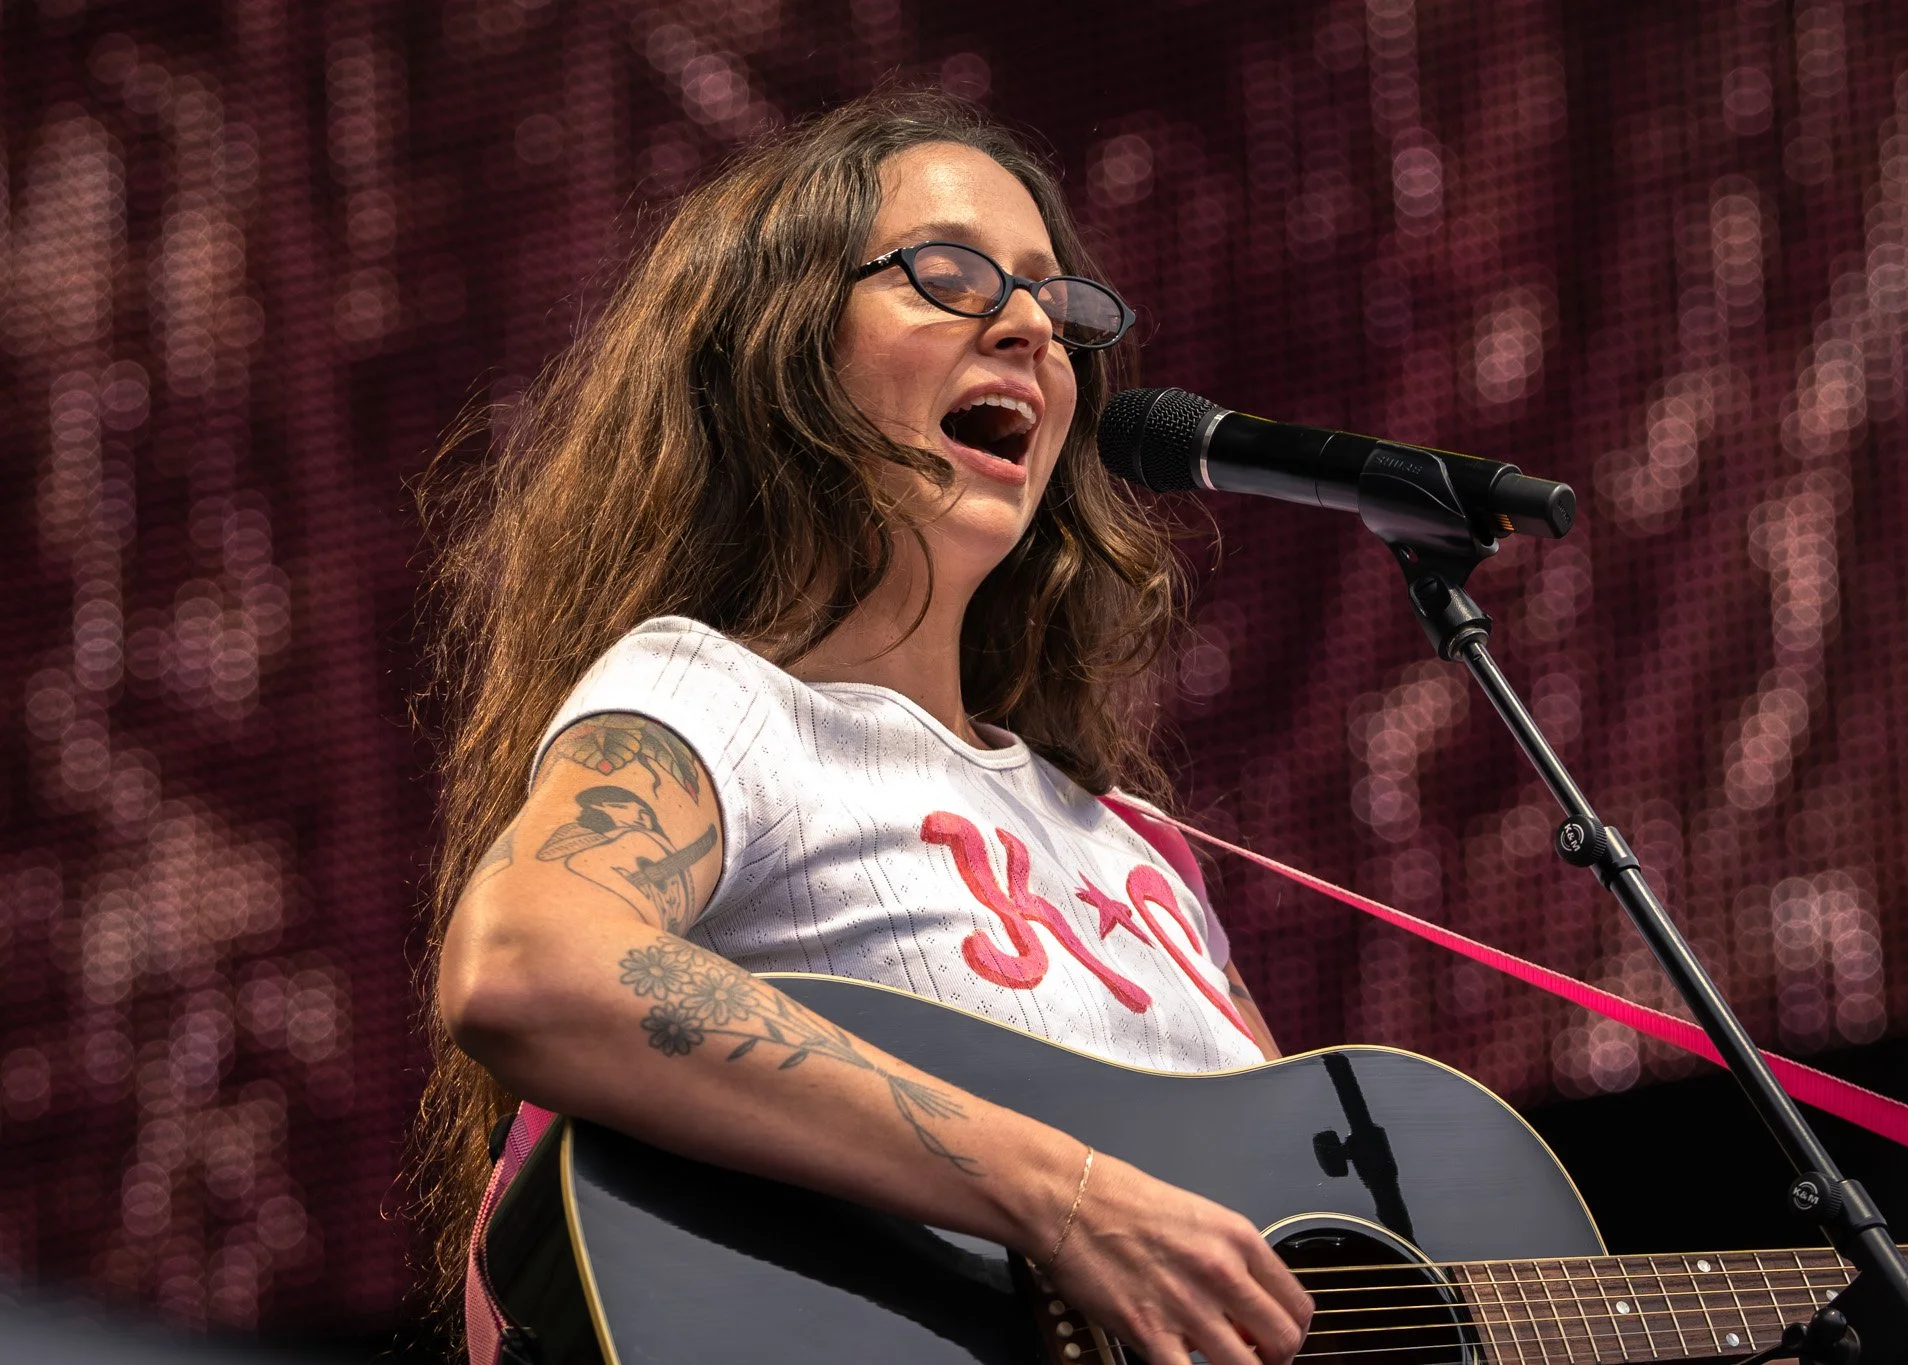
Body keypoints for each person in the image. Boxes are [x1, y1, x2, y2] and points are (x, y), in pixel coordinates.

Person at [416, 90, 1315, 1365]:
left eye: (1057, 307)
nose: (1026, 327)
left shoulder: (1135, 854)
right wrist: (1058, 1197)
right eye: (949, 275)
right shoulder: (716, 704)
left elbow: (1273, 1267)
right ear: (780, 350)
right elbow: (530, 967)